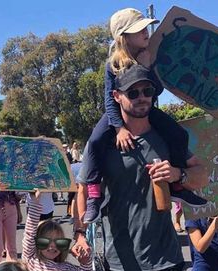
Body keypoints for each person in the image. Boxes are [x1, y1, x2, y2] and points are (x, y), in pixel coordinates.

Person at [75, 64, 208, 271]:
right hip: (120, 257)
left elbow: (201, 175)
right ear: (117, 96)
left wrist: (176, 174)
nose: (142, 97)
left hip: (164, 254)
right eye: (133, 92)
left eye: (148, 91)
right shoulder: (105, 141)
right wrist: (80, 233)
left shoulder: (166, 136)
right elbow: (83, 188)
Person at [83, 7, 207, 224]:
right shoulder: (113, 64)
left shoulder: (149, 55)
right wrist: (119, 128)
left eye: (146, 28)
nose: (146, 32)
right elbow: (109, 99)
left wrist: (148, 66)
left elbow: (155, 90)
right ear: (123, 37)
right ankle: (94, 195)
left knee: (178, 133)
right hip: (116, 113)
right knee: (94, 141)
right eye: (139, 30)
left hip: (147, 109)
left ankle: (177, 185)